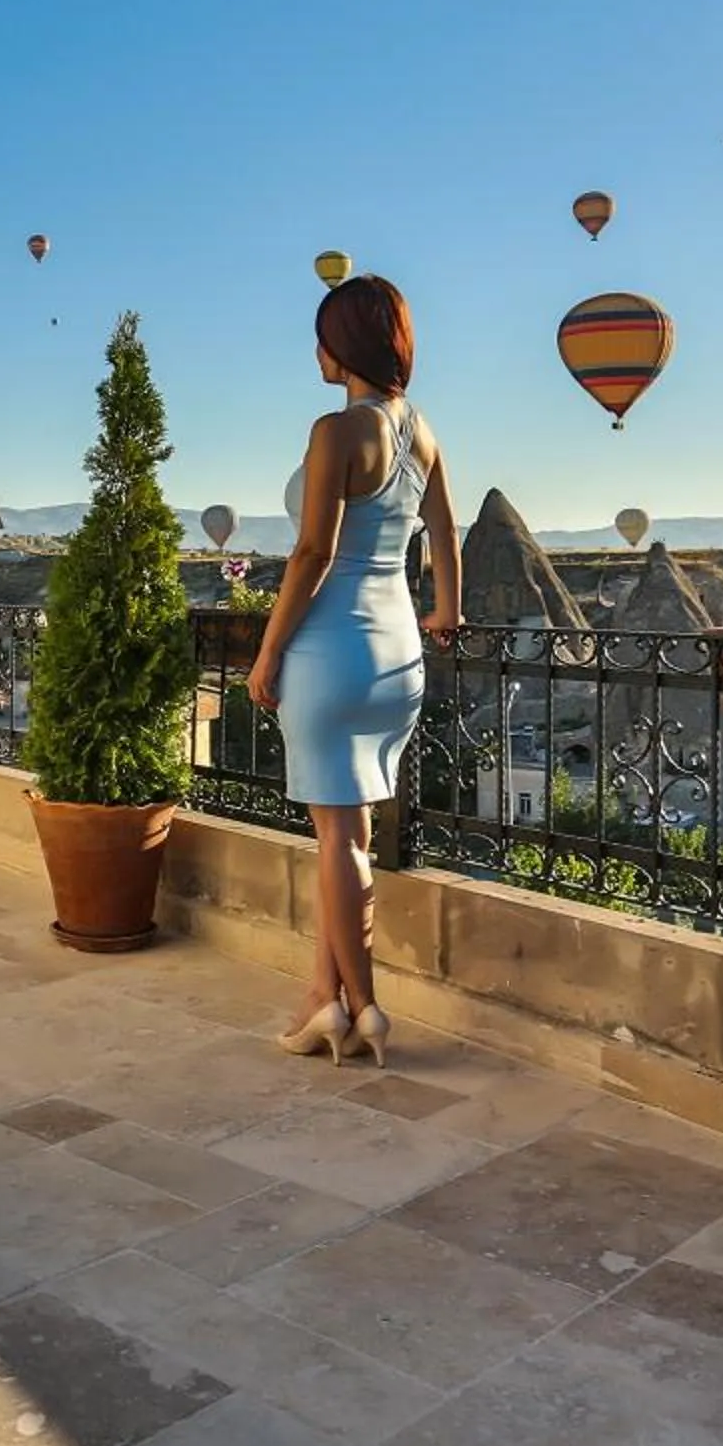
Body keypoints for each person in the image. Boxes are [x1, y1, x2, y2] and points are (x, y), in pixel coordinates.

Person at [247, 276, 461, 1067]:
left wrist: (268, 651)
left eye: (322, 337)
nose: (316, 352)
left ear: (344, 346)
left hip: (331, 646)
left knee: (335, 835)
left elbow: (312, 553)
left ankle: (365, 1003)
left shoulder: (338, 431)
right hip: (398, 650)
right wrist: (446, 611)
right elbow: (444, 533)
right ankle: (321, 1001)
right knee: (353, 829)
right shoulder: (424, 434)